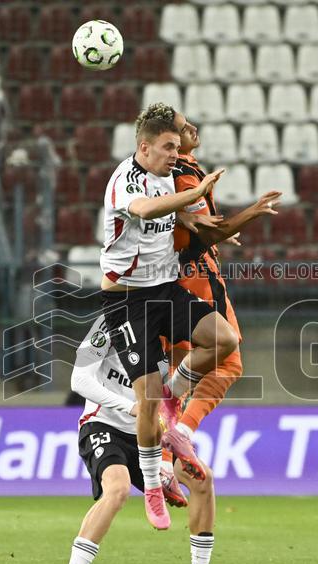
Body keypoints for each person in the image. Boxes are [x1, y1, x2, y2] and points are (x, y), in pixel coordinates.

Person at [99, 103, 238, 531]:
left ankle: (176, 402)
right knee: (148, 399)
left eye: (178, 146)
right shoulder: (127, 178)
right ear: (144, 147)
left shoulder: (165, 175)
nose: (176, 154)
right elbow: (143, 211)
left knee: (224, 341)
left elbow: (179, 217)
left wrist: (216, 226)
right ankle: (154, 486)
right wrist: (194, 195)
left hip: (165, 289)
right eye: (168, 147)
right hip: (128, 301)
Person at [54, 315, 223, 564]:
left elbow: (169, 401)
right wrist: (130, 407)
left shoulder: (170, 335)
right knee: (117, 489)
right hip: (104, 425)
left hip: (148, 436)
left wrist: (167, 461)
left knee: (202, 480)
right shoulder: (109, 322)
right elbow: (79, 379)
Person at [161, 110, 281, 443]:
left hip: (177, 277)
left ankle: (170, 447)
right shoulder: (183, 173)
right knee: (224, 363)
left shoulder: (173, 172)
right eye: (184, 129)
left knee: (178, 369)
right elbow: (202, 236)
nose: (194, 129)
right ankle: (176, 438)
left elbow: (191, 226)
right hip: (194, 280)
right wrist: (251, 213)